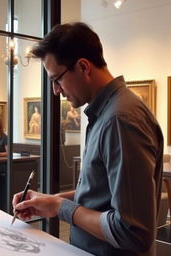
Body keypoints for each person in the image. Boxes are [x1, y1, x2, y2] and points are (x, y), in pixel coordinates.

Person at [12, 22, 163, 256]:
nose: (55, 91)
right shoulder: (107, 114)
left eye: (57, 79)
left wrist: (61, 207)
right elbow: (101, 195)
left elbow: (133, 233)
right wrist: (48, 202)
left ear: (83, 67)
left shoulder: (120, 119)